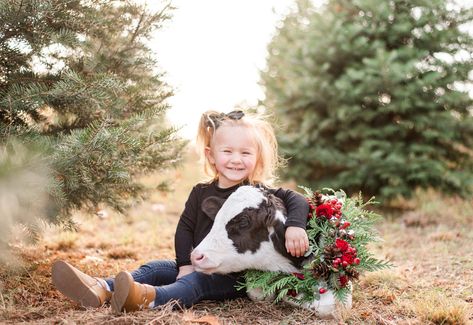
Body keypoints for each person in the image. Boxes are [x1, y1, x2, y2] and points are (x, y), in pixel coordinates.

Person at [52, 110, 309, 314]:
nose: (236, 159)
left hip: (233, 276)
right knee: (156, 268)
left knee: (195, 285)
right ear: (211, 156)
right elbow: (185, 228)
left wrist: (296, 226)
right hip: (196, 261)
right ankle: (101, 288)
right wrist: (185, 265)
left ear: (258, 157)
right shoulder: (200, 192)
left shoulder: (257, 195)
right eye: (227, 152)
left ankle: (146, 298)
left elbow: (295, 198)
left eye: (245, 153)